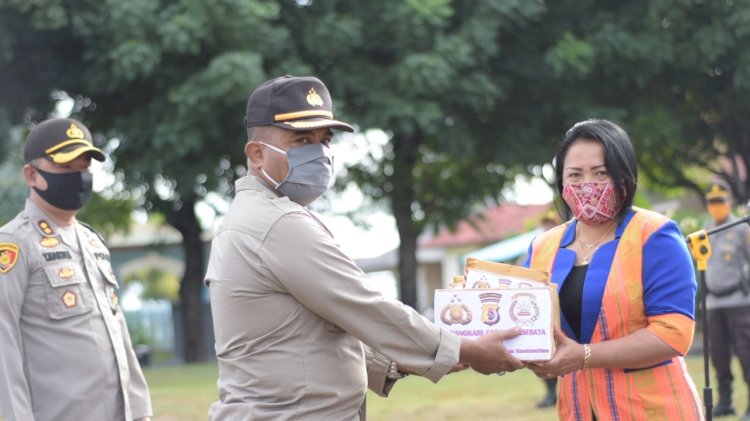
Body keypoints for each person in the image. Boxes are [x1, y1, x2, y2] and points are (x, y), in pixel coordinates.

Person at [205, 75, 525, 420]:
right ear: (256, 154)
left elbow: (319, 324)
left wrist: (398, 362)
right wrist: (463, 349)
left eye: (324, 139)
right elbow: (364, 304)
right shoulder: (275, 223)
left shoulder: (257, 217)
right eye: (302, 140)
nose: (319, 152)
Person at [523, 119, 703, 420]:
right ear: (561, 182)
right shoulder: (543, 247)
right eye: (575, 175)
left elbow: (673, 334)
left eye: (600, 173)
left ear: (624, 175)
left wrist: (583, 356)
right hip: (579, 409)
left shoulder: (655, 235)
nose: (586, 185)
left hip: (653, 410)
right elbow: (531, 327)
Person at [0, 118, 153, 421]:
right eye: (66, 168)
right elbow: (3, 345)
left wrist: (139, 411)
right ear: (31, 175)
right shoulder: (14, 243)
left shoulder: (92, 241)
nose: (79, 177)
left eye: (84, 168)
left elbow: (117, 331)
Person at [702, 181, 750, 419]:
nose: (716, 206)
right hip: (714, 303)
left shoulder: (741, 228)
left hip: (739, 302)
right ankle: (726, 401)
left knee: (746, 353)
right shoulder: (706, 230)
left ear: (729, 202)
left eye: (720, 201)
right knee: (718, 355)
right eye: (712, 202)